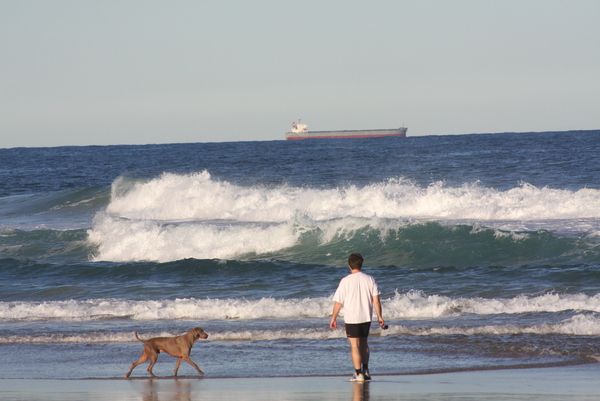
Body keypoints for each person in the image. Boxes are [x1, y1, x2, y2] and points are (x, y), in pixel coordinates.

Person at [330, 253, 385, 382]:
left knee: (354, 345)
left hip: (351, 318)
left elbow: (338, 302)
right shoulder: (370, 279)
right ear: (361, 264)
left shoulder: (345, 281)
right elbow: (376, 301)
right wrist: (380, 317)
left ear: (349, 265)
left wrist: (333, 318)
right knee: (364, 343)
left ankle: (358, 373)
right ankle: (366, 371)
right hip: (366, 317)